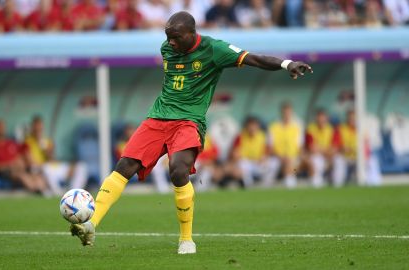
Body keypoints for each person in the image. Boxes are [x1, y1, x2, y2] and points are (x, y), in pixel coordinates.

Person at [69, 11, 313, 254]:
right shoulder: (168, 48)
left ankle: (186, 239)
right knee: (124, 166)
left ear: (191, 33)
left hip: (188, 122)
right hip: (158, 118)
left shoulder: (214, 49)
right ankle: (91, 224)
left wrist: (286, 64)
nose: (170, 42)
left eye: (175, 37)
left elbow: (254, 59)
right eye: (168, 37)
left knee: (178, 171)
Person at [23, 115, 88, 195]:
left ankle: (73, 193)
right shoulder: (27, 142)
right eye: (36, 128)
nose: (38, 130)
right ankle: (58, 193)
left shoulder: (47, 141)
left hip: (53, 167)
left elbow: (52, 158)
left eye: (40, 128)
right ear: (32, 128)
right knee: (46, 168)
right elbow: (30, 162)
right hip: (40, 169)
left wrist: (44, 147)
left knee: (81, 167)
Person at [0, 119, 48, 194]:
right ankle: (36, 191)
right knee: (22, 176)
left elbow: (20, 159)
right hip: (4, 171)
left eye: (2, 127)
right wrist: (8, 165)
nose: (1, 130)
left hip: (18, 169)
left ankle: (43, 191)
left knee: (36, 176)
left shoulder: (11, 143)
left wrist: (20, 164)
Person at [268, 102, 303, 188]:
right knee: (274, 166)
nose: (287, 115)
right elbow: (270, 147)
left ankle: (292, 179)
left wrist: (300, 156)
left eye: (289, 112)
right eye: (285, 112)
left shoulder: (297, 127)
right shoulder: (273, 127)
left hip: (293, 158)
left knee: (296, 166)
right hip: (277, 158)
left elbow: (300, 146)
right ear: (281, 113)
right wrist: (281, 157)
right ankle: (272, 183)